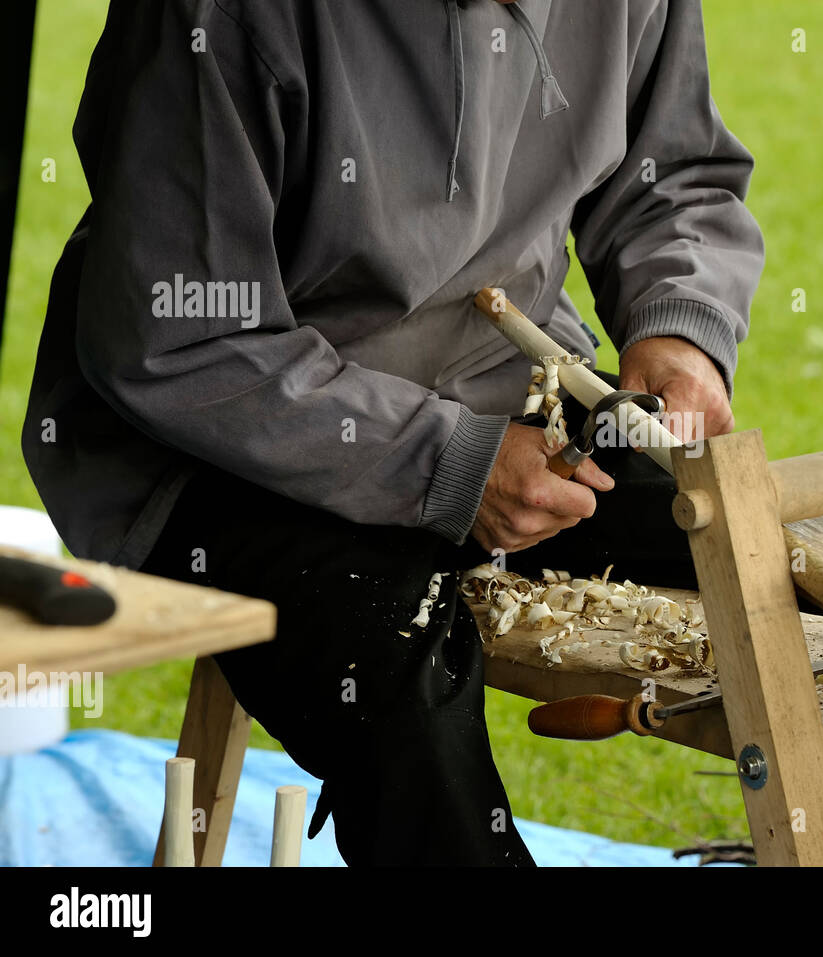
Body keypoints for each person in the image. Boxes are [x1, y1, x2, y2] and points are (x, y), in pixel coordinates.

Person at [23, 0, 763, 865]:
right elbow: (181, 338)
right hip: (226, 441)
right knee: (398, 668)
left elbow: (669, 174)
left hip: (503, 393)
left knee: (774, 571)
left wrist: (681, 324)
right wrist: (446, 464)